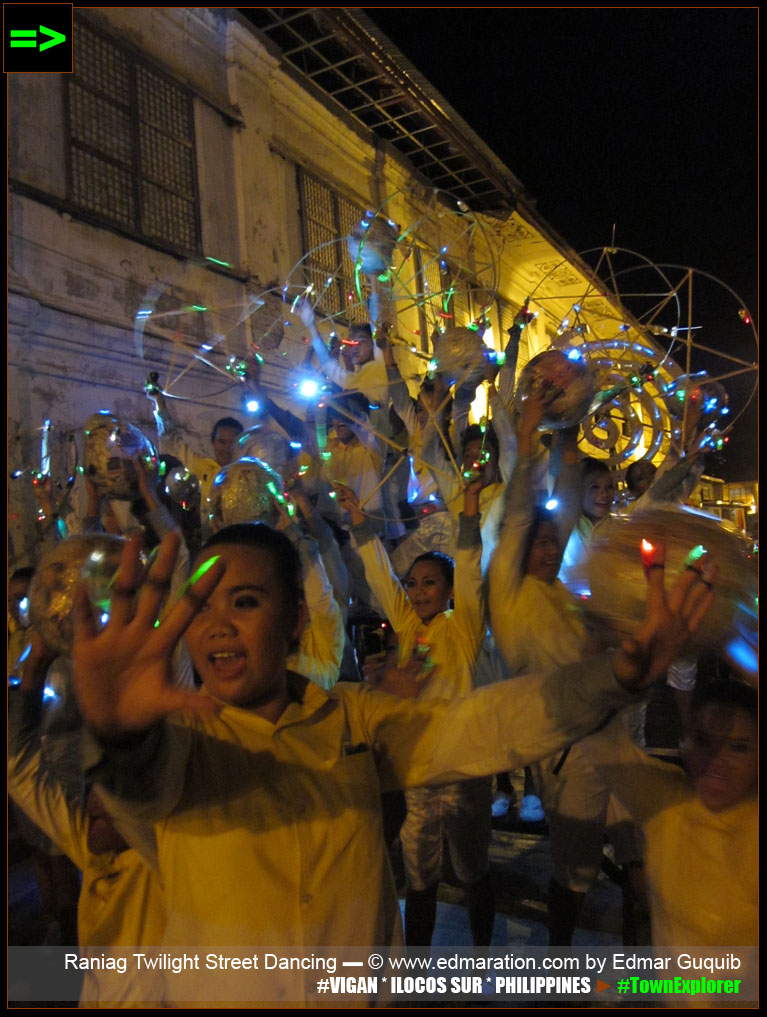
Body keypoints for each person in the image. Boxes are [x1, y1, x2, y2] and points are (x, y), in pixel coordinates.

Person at [72, 525, 713, 1005]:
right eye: (200, 608)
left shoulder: (352, 718)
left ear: (296, 620)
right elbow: (142, 790)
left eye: (243, 603)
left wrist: (615, 676)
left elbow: (477, 727)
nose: (218, 628)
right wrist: (119, 735)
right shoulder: (182, 741)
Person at [488, 388, 642, 945]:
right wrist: (529, 433)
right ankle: (557, 974)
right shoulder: (508, 595)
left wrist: (569, 432)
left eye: (556, 544)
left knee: (639, 860)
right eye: (541, 545)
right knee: (572, 878)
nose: (551, 551)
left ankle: (643, 961)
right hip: (566, 756)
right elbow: (522, 511)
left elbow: (568, 503)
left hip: (615, 739)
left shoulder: (566, 593)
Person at [336, 477, 493, 947]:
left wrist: (468, 512)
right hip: (421, 770)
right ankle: (416, 975)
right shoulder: (409, 629)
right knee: (419, 875)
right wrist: (360, 524)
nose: (419, 592)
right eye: (414, 584)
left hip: (466, 768)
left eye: (430, 583)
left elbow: (470, 570)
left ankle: (483, 961)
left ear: (449, 592)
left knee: (473, 871)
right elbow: (381, 579)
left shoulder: (461, 628)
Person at [9, 632, 166, 1005]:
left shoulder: (165, 862)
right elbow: (18, 765)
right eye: (94, 784)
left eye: (112, 789)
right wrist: (35, 667)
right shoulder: (95, 849)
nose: (93, 800)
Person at [582, 678, 757, 949]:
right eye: (702, 740)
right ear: (685, 742)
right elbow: (598, 738)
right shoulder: (666, 800)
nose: (716, 761)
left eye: (738, 747)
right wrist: (622, 675)